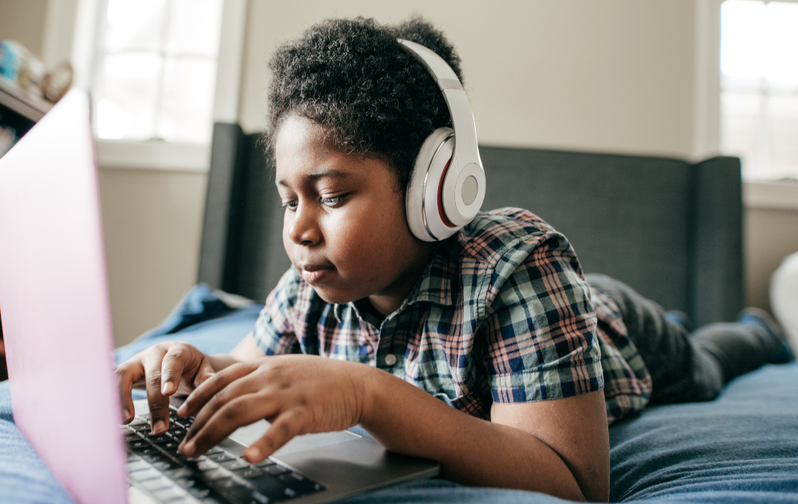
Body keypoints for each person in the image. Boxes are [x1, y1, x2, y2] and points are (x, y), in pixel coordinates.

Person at [116, 17, 791, 502]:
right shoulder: (310, 285)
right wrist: (196, 368)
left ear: (435, 185)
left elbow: (577, 483)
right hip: (561, 327)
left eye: (332, 195)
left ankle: (759, 329)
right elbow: (256, 367)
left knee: (709, 357)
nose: (302, 230)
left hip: (619, 334)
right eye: (290, 200)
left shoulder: (521, 265)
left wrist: (366, 394)